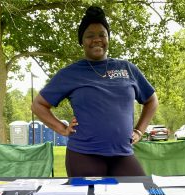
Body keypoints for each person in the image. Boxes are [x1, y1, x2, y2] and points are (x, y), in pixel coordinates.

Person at [31, 5, 158, 177]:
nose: (96, 39)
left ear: (108, 39)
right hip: (84, 154)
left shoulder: (127, 68)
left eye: (102, 35)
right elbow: (38, 105)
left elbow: (151, 100)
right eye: (90, 36)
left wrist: (139, 131)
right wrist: (62, 129)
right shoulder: (70, 73)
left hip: (123, 154)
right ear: (81, 41)